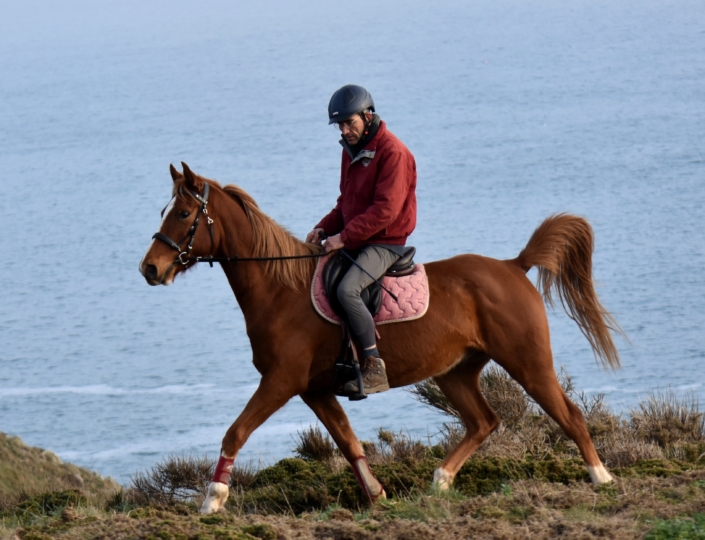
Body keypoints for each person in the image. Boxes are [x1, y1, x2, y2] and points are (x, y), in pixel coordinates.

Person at [306, 84, 417, 395]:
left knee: (347, 289)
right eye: (339, 126)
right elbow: (346, 203)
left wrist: (343, 237)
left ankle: (373, 366)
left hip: (385, 242)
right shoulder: (350, 150)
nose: (344, 131)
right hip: (358, 238)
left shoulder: (392, 152)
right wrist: (323, 229)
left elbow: (386, 211)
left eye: (349, 123)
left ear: (368, 116)